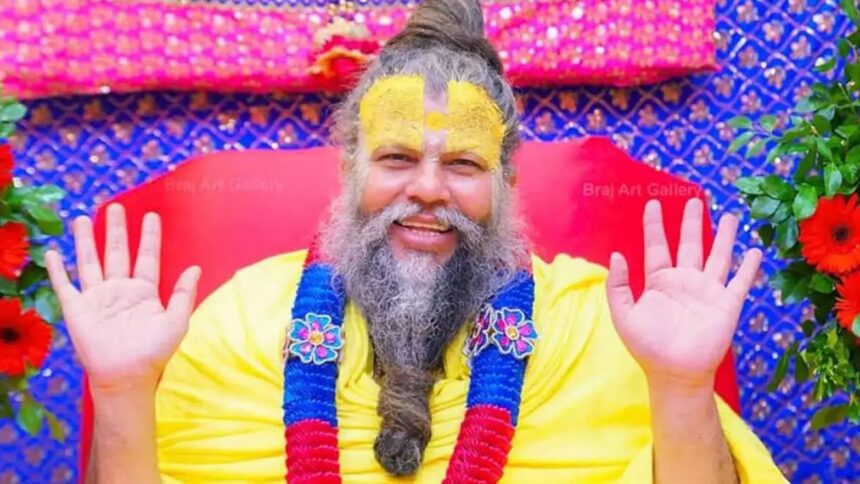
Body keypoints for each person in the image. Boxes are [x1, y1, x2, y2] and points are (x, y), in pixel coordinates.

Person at [46, 0, 786, 482]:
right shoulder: (242, 321)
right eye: (398, 158)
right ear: (350, 170)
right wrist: (121, 392)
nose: (428, 189)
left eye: (463, 164)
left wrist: (682, 389)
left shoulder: (592, 327)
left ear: (504, 184)